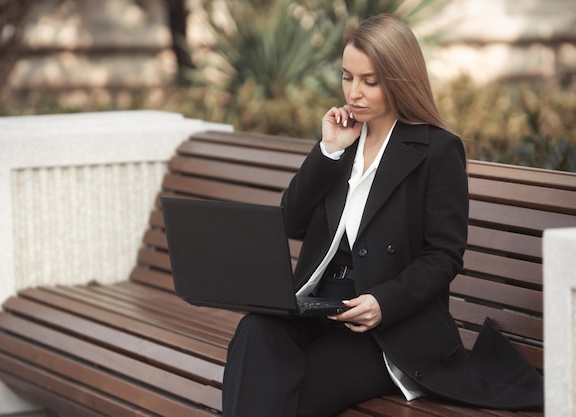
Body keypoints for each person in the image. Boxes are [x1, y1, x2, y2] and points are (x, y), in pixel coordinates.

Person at [222, 14, 543, 417]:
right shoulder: (343, 141)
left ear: (399, 79)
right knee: (254, 331)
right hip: (320, 307)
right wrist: (328, 152)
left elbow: (444, 255)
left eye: (369, 81)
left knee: (280, 390)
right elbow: (291, 223)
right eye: (346, 77)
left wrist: (383, 303)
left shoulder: (437, 151)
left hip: (385, 328)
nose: (354, 92)